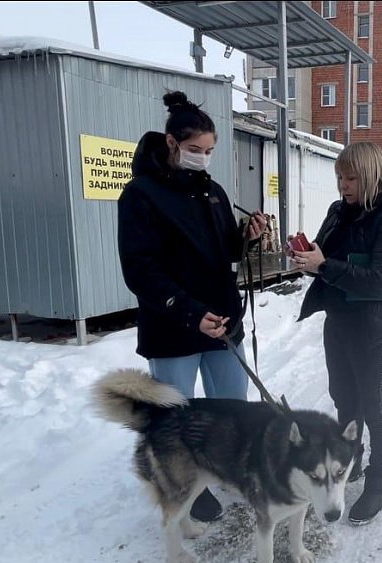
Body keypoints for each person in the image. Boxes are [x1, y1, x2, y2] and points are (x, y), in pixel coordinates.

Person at [117, 90, 266, 522]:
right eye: (196, 150)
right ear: (171, 142)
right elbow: (140, 270)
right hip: (174, 325)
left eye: (210, 151)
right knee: (177, 417)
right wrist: (187, 312)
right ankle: (184, 481)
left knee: (230, 406)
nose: (204, 157)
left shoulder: (212, 191)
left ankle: (227, 464)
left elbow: (222, 251)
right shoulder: (140, 195)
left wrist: (246, 235)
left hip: (221, 321)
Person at [289, 142, 382, 525]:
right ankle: (354, 461)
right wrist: (306, 258)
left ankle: (379, 484)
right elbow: (324, 255)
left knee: (377, 405)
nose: (343, 185)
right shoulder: (337, 211)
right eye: (339, 178)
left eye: (350, 178)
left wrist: (325, 265)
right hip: (341, 320)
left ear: (371, 176)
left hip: (379, 328)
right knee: (345, 401)